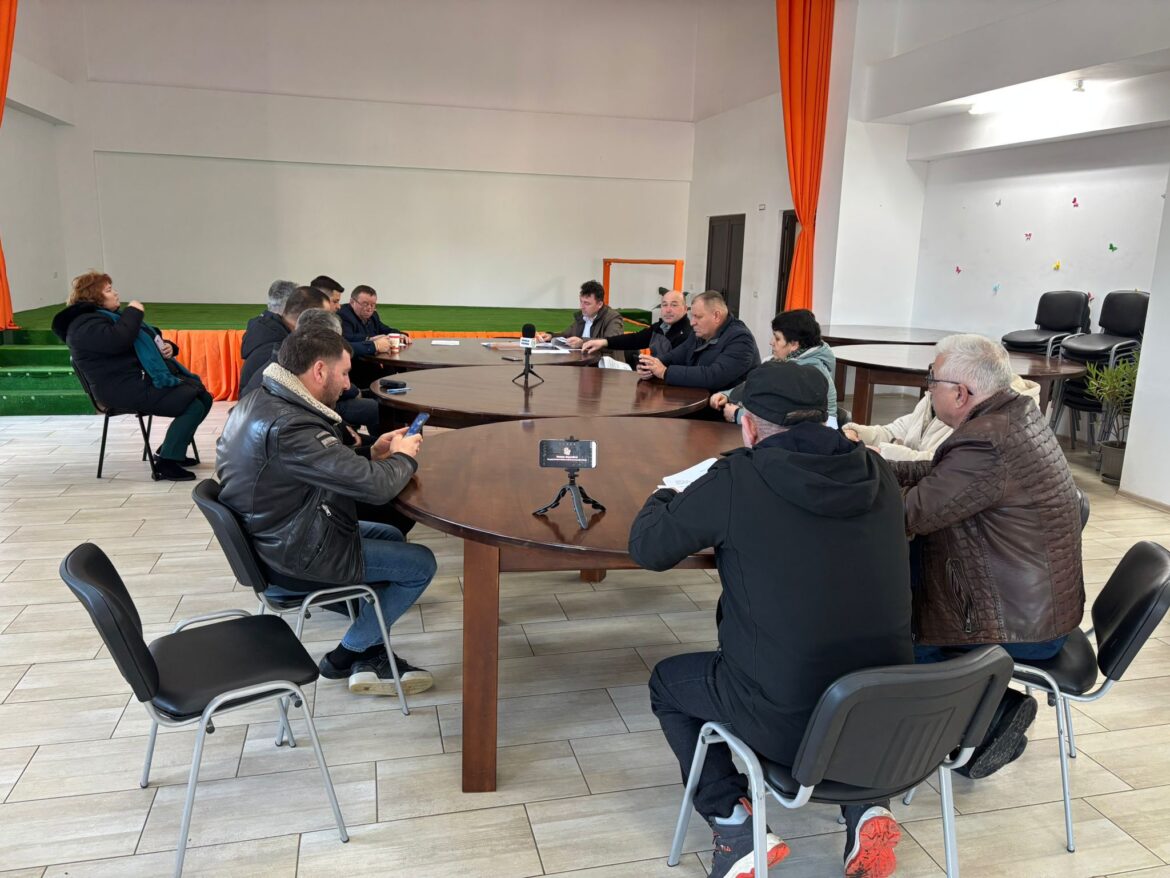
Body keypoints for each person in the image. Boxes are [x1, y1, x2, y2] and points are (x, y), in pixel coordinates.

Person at [630, 362, 912, 878]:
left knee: (668, 684)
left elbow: (649, 548)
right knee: (846, 650)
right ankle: (868, 806)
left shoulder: (737, 478)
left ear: (750, 427)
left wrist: (664, 493)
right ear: (826, 418)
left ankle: (734, 822)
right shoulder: (879, 473)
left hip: (786, 722)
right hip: (885, 713)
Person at [890, 333, 1084, 777]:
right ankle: (985, 713)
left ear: (961, 393)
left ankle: (986, 719)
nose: (928, 389)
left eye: (932, 381)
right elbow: (940, 472)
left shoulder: (987, 442)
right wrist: (872, 465)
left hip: (1020, 624)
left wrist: (847, 491)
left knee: (900, 632)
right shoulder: (1012, 416)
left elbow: (910, 514)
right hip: (1039, 609)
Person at [216, 328, 437, 697]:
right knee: (421, 565)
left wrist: (370, 454)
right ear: (319, 370)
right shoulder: (291, 425)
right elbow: (377, 488)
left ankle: (370, 645)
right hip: (292, 554)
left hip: (277, 534)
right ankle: (348, 653)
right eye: (345, 373)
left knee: (392, 536)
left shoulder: (263, 399)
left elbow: (312, 465)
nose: (349, 385)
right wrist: (402, 457)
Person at [53, 271, 213, 482]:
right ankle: (166, 464)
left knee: (204, 398)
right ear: (94, 296)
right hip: (120, 389)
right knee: (192, 404)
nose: (116, 293)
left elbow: (147, 338)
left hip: (136, 381)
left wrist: (168, 347)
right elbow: (118, 340)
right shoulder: (84, 326)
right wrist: (134, 312)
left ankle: (170, 450)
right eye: (109, 290)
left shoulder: (105, 318)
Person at [843, 375, 1042, 461]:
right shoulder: (935, 398)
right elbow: (896, 430)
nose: (930, 384)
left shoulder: (989, 425)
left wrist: (879, 451)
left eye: (935, 377)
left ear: (960, 391)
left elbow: (937, 465)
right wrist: (858, 433)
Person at [711, 309, 838, 428]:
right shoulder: (788, 361)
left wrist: (738, 415)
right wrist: (728, 395)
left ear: (794, 344)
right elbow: (756, 385)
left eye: (777, 338)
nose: (771, 342)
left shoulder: (806, 374)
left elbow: (781, 419)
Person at [636, 290, 760, 396]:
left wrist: (665, 372)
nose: (692, 322)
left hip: (724, 410)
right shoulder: (701, 332)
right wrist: (650, 366)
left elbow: (714, 376)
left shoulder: (741, 339)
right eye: (692, 316)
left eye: (698, 317)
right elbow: (676, 355)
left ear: (716, 316)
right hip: (697, 399)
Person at [240, 285, 330, 392]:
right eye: (324, 318)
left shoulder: (268, 332)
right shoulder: (277, 349)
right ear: (306, 317)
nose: (328, 324)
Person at [581, 288, 692, 365]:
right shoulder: (659, 327)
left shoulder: (689, 334)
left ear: (685, 309)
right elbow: (635, 339)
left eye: (674, 305)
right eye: (664, 305)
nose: (668, 310)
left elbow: (677, 364)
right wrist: (604, 342)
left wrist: (652, 368)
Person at [536, 280, 624, 347]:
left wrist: (582, 342)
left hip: (604, 364)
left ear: (600, 304)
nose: (582, 307)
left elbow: (611, 341)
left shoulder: (613, 318)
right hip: (584, 362)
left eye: (587, 303)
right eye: (581, 302)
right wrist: (551, 336)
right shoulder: (582, 317)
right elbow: (566, 335)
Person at [340, 285, 410, 357]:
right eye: (365, 304)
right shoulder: (343, 314)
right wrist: (370, 339)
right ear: (352, 302)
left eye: (373, 305)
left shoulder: (373, 315)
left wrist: (400, 335)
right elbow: (348, 339)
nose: (369, 309)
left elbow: (385, 329)